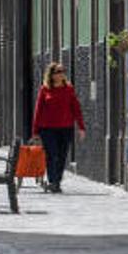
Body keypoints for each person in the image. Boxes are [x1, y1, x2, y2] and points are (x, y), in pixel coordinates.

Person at [30, 62, 85, 193]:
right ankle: (52, 181)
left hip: (66, 128)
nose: (61, 74)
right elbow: (38, 111)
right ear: (52, 75)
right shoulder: (45, 90)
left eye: (63, 71)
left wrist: (81, 127)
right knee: (52, 154)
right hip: (47, 129)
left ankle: (57, 182)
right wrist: (35, 131)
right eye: (58, 72)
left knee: (62, 156)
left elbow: (76, 108)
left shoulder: (69, 89)